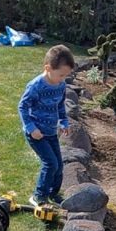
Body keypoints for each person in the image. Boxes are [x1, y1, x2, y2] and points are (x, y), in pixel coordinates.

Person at [18, 44, 75, 206]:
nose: (63, 79)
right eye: (61, 75)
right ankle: (38, 196)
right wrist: (31, 128)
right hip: (36, 133)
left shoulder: (61, 85)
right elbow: (22, 107)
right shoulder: (36, 86)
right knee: (50, 163)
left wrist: (63, 122)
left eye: (66, 76)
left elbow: (60, 105)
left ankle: (53, 194)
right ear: (48, 68)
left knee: (59, 165)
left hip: (50, 132)